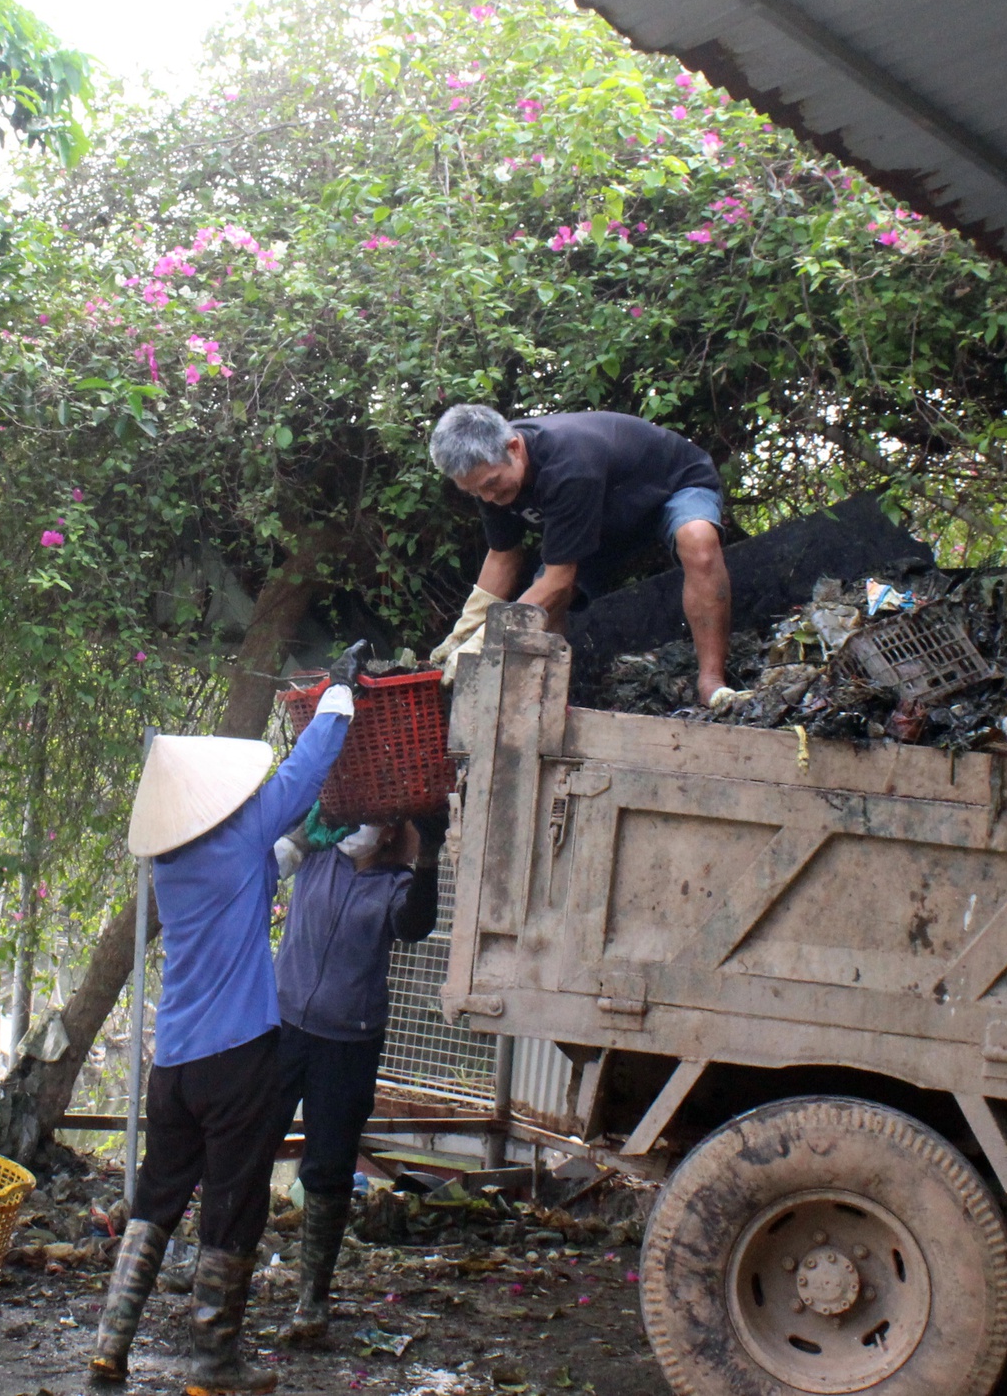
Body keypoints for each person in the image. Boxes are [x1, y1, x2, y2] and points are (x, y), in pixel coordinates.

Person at [90, 641, 368, 1394]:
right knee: (233, 1202)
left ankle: (110, 1344)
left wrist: (297, 847)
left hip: (174, 1065)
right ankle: (213, 1363)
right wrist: (339, 691)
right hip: (239, 1060)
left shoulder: (170, 864)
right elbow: (305, 773)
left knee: (157, 1197)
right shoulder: (243, 835)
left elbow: (253, 874)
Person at [427, 405, 737, 708]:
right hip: (603, 519)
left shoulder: (569, 462)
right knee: (548, 609)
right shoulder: (489, 477)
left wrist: (488, 640)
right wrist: (464, 632)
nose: (488, 497)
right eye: (475, 492)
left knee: (698, 541)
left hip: (671, 487)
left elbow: (556, 581)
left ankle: (712, 683)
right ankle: (548, 707)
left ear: (514, 448)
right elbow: (503, 556)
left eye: (491, 484)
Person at [267, 813, 443, 1344]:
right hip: (284, 1025)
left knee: (328, 1168)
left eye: (372, 822)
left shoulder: (396, 885)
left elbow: (415, 925)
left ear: (390, 833)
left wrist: (429, 857)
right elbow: (278, 848)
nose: (359, 830)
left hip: (347, 1043)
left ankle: (311, 1302)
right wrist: (311, 828)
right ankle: (225, 1270)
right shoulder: (318, 857)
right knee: (248, 1146)